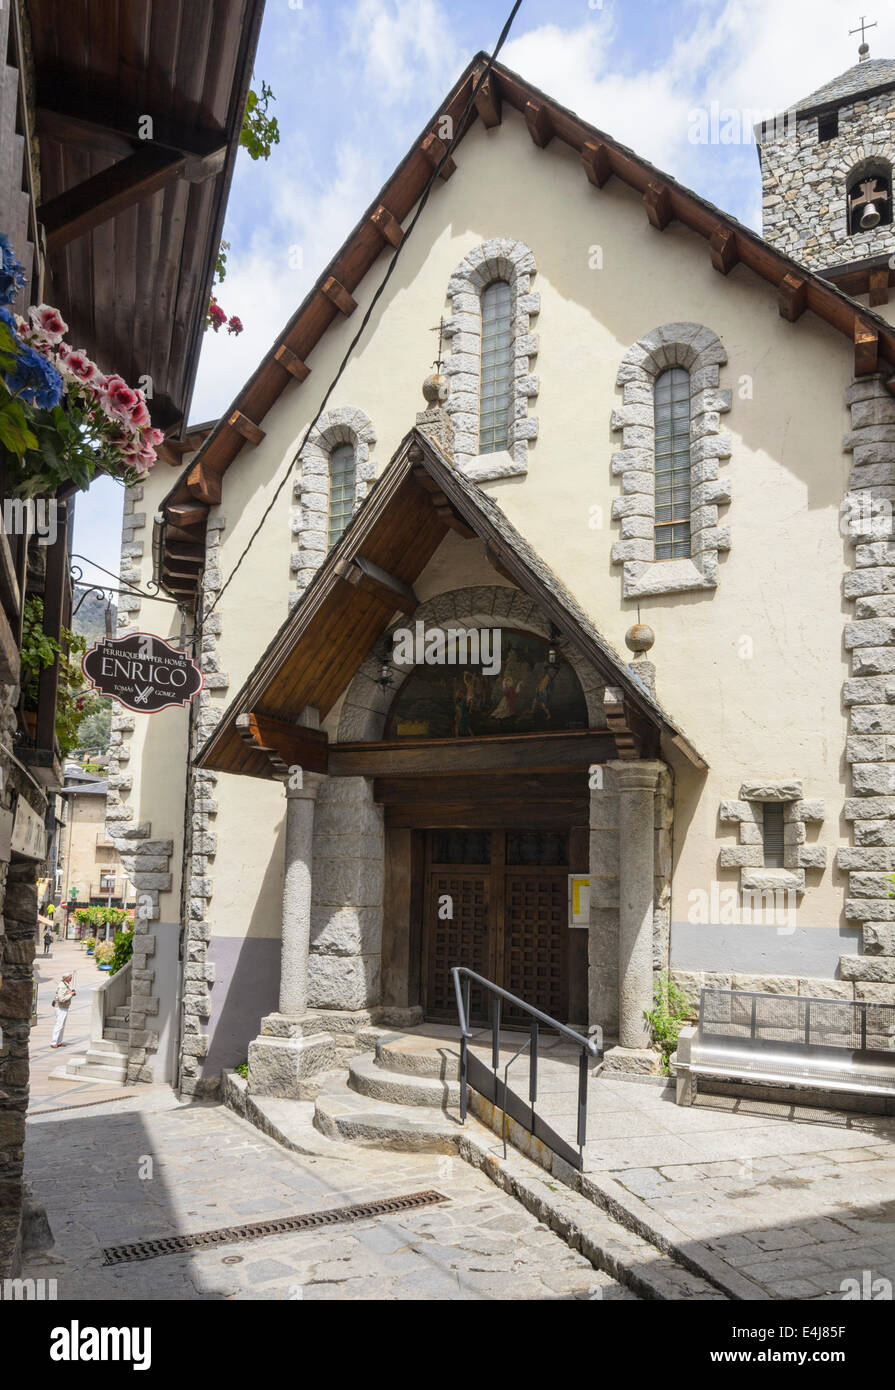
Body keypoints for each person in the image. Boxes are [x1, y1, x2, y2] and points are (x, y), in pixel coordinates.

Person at [50, 973, 76, 1048]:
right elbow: (61, 999)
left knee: (62, 1025)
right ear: (66, 978)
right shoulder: (62, 986)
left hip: (64, 1007)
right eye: (70, 977)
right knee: (59, 1025)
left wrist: (71, 993)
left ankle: (59, 1042)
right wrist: (71, 994)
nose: (71, 978)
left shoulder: (65, 984)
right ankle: (54, 1042)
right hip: (60, 1007)